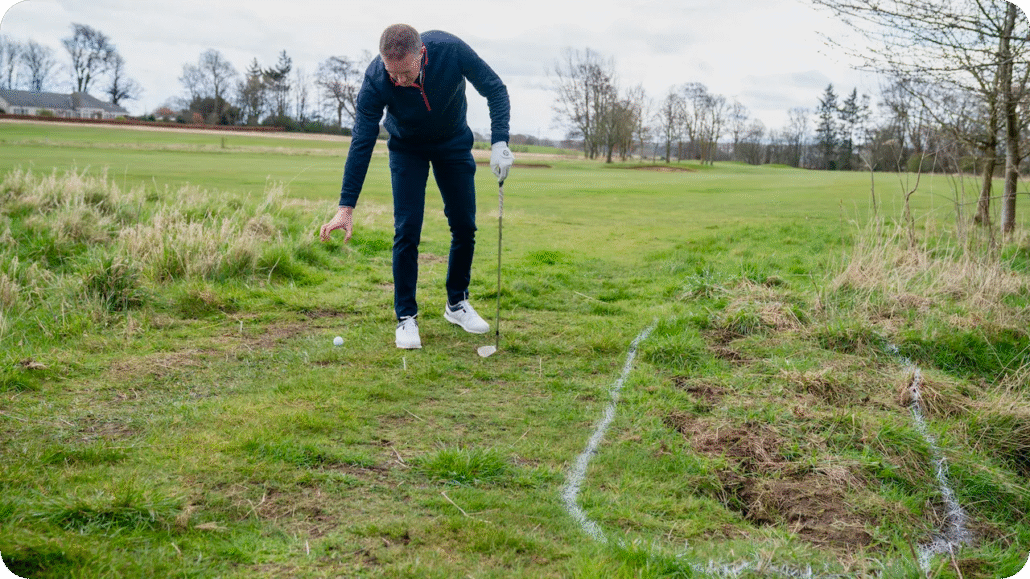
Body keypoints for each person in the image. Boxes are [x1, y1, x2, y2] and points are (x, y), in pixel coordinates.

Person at [320, 24, 514, 349]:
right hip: (406, 148)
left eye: (405, 72)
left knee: (465, 226)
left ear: (422, 55)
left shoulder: (450, 50)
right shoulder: (376, 79)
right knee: (407, 229)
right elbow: (362, 141)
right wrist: (345, 207)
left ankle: (457, 304)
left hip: (452, 143)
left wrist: (500, 143)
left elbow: (495, 89)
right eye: (391, 72)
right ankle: (406, 317)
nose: (398, 80)